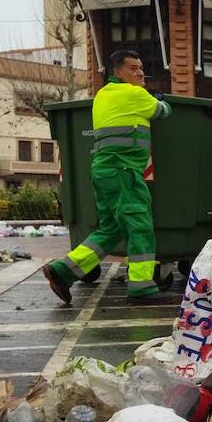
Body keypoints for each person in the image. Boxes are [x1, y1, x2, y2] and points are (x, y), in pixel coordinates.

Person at [43, 50, 171, 304]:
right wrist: (160, 99)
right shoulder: (134, 93)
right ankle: (141, 286)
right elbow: (162, 112)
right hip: (124, 172)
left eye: (141, 67)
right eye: (133, 68)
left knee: (111, 230)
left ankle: (64, 270)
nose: (140, 72)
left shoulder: (102, 95)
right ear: (119, 72)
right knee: (140, 227)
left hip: (103, 171)